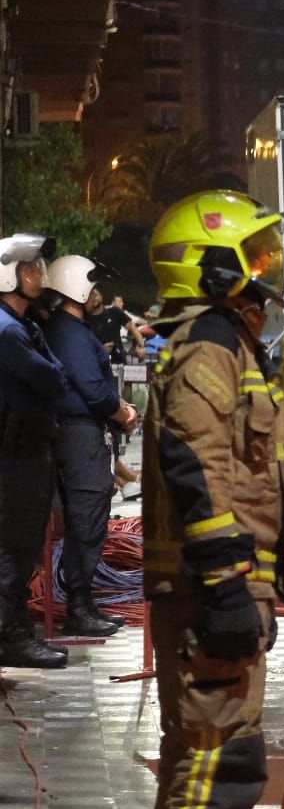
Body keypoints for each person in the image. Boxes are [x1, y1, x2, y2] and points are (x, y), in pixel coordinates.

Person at [141, 191, 284, 809]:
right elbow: (196, 467)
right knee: (215, 749)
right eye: (254, 256)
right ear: (215, 268)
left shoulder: (223, 344)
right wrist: (229, 583)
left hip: (217, 583)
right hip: (209, 590)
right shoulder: (208, 347)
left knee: (210, 743)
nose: (265, 273)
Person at [41, 256, 138, 637]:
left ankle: (82, 602)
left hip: (76, 433)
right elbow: (94, 390)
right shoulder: (73, 335)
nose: (98, 294)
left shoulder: (65, 330)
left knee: (86, 518)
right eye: (93, 286)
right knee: (87, 519)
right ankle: (79, 607)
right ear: (76, 287)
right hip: (81, 435)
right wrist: (124, 412)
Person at [0, 234, 70, 670]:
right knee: (13, 546)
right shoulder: (9, 332)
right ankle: (10, 635)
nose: (37, 274)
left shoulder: (22, 325)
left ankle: (15, 627)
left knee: (21, 546)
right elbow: (53, 380)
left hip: (26, 452)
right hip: (15, 457)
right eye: (28, 268)